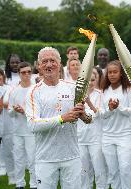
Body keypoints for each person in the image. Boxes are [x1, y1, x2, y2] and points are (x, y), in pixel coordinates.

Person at [26, 47, 89, 189]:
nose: (49, 65)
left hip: (71, 156)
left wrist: (83, 114)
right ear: (39, 66)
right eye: (45, 62)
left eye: (52, 61)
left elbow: (90, 118)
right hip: (46, 158)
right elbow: (33, 125)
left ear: (59, 64)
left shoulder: (73, 88)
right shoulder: (34, 92)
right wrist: (62, 118)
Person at [100, 60, 131, 189]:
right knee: (113, 171)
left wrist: (118, 107)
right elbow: (101, 114)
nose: (112, 75)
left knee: (125, 168)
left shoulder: (129, 89)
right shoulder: (104, 91)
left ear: (121, 74)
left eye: (115, 72)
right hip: (107, 136)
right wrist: (110, 109)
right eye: (109, 72)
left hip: (124, 135)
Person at [8, 62, 37, 189]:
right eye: (23, 72)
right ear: (19, 74)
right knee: (18, 159)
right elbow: (9, 112)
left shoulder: (36, 89)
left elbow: (38, 113)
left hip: (31, 131)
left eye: (29, 72)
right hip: (17, 131)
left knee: (32, 159)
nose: (26, 75)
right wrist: (15, 110)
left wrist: (24, 111)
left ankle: (34, 184)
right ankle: (20, 184)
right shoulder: (14, 91)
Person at [77, 72, 107, 189]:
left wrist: (88, 102)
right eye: (88, 80)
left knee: (98, 168)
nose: (90, 83)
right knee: (83, 169)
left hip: (95, 138)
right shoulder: (77, 95)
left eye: (93, 80)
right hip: (81, 138)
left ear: (97, 80)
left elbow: (97, 114)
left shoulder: (100, 94)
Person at [0, 68, 16, 185]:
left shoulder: (9, 88)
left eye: (0, 75)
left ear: (3, 76)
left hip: (9, 125)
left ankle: (12, 175)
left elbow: (9, 103)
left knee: (9, 151)